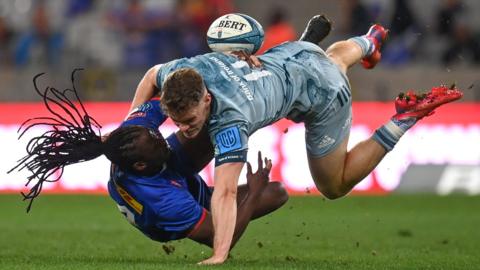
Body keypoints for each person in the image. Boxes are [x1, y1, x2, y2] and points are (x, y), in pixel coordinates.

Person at [128, 14, 463, 265]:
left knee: (334, 185)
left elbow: (227, 191)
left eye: (188, 120)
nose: (182, 127)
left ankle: (403, 119)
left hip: (323, 94)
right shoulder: (190, 68)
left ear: (206, 101)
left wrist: (220, 252)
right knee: (332, 57)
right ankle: (368, 42)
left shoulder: (231, 120)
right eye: (175, 120)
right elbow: (151, 75)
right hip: (293, 55)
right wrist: (133, 123)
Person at [9, 69, 288, 251]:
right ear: (141, 166)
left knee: (207, 115)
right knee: (276, 193)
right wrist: (253, 190)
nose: (163, 137)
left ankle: (266, 79)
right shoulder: (163, 200)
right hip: (171, 214)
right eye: (157, 142)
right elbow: (219, 239)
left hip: (170, 176)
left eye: (155, 135)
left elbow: (158, 85)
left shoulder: (138, 134)